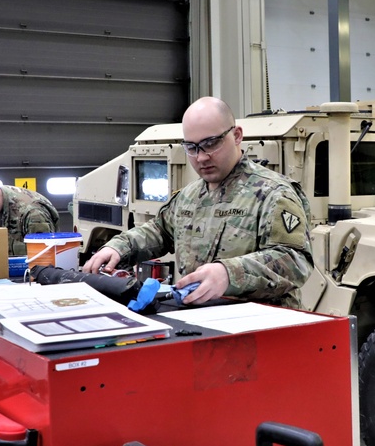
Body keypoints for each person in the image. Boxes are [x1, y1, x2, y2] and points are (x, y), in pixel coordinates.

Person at [81, 96, 313, 309]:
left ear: (237, 136)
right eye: (191, 148)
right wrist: (119, 247)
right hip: (201, 323)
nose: (201, 157)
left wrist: (229, 274)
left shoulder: (274, 194)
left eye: (211, 144)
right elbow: (159, 231)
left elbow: (295, 260)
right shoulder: (189, 196)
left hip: (264, 330)